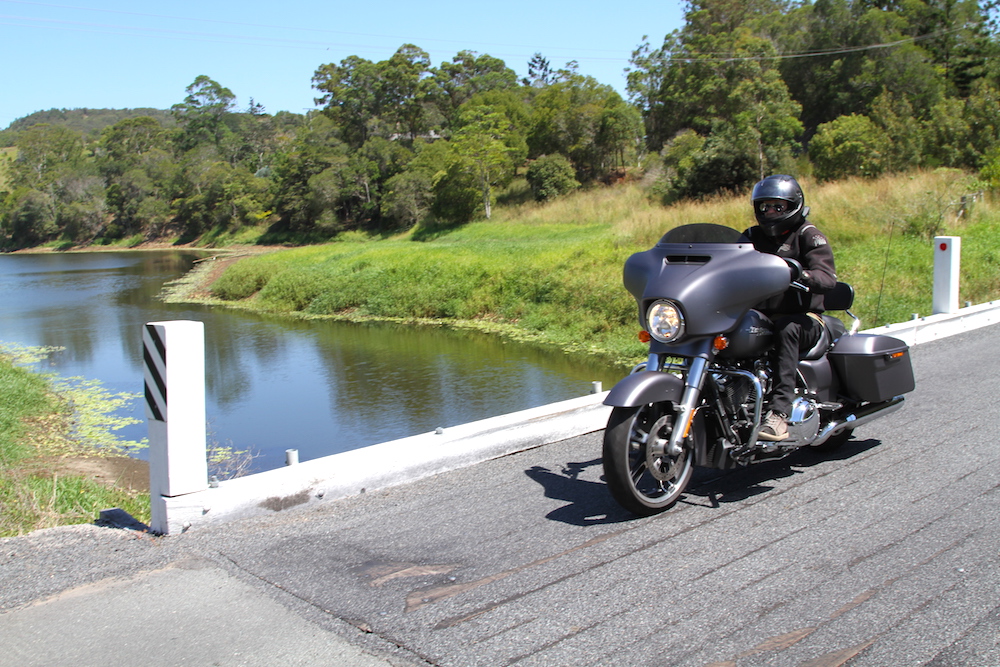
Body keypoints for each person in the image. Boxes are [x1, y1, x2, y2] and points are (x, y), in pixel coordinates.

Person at [742, 175, 837, 441]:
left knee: (786, 328)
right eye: (765, 207)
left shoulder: (808, 235)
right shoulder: (750, 236)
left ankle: (779, 415)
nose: (770, 212)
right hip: (761, 317)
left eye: (778, 207)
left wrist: (802, 276)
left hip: (803, 319)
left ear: (793, 206)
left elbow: (828, 278)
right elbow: (727, 260)